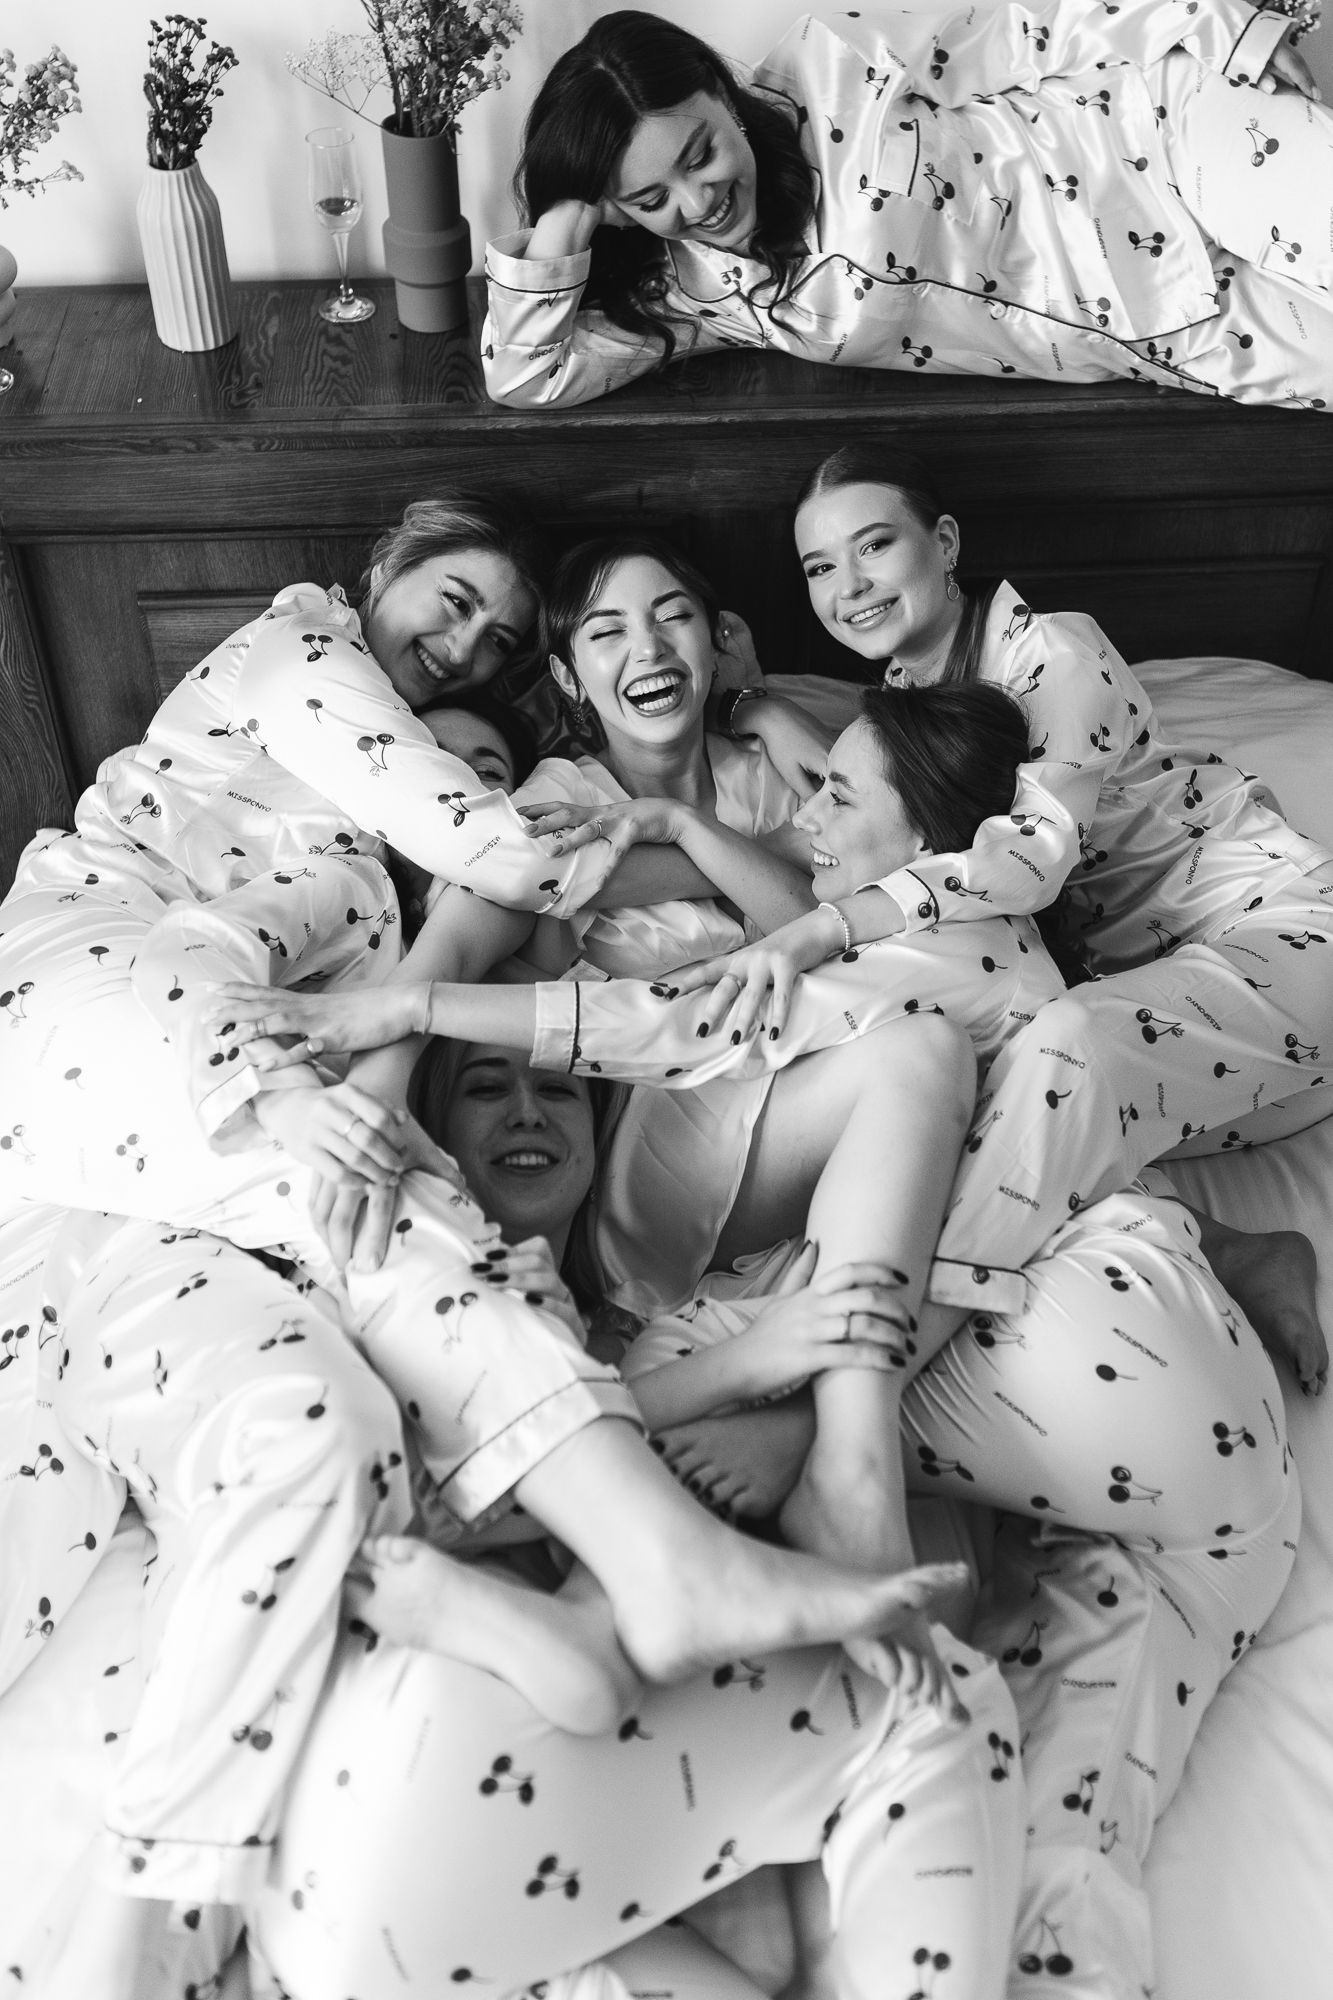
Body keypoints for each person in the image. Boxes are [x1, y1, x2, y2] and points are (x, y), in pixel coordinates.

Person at [220, 692, 1307, 2000]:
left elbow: (661, 1024)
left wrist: (408, 1013)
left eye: (839, 792)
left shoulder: (900, 963)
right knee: (1022, 1802)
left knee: (916, 1686)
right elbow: (586, 950)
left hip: (1073, 1375)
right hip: (1180, 1468)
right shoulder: (946, 970)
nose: (805, 813)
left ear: (938, 841)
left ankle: (836, 1470)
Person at [655, 444, 1333, 1387]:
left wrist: (824, 927)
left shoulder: (1054, 653)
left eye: (873, 545)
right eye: (818, 567)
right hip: (1175, 1051)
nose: (848, 586)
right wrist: (743, 718)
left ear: (944, 543)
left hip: (1275, 935)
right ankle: (1230, 1249)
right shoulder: (906, 706)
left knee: (1064, 1043)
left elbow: (1030, 856)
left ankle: (861, 1383)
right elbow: (842, 825)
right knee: (955, 1061)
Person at [484, 4, 1332, 413]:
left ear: (718, 92)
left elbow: (1026, 20)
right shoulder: (697, 301)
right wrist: (562, 227)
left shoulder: (829, 60)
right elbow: (524, 379)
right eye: (650, 197)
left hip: (1171, 137)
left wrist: (1222, 24)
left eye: (699, 153)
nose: (698, 200)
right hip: (1184, 334)